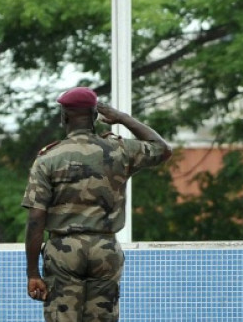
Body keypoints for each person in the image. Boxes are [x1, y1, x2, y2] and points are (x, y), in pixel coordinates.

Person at [22, 87, 172, 322]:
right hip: (105, 249)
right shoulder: (119, 150)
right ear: (95, 117)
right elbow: (162, 149)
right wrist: (122, 118)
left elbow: (35, 219)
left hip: (64, 251)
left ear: (64, 117)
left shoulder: (48, 159)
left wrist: (33, 272)